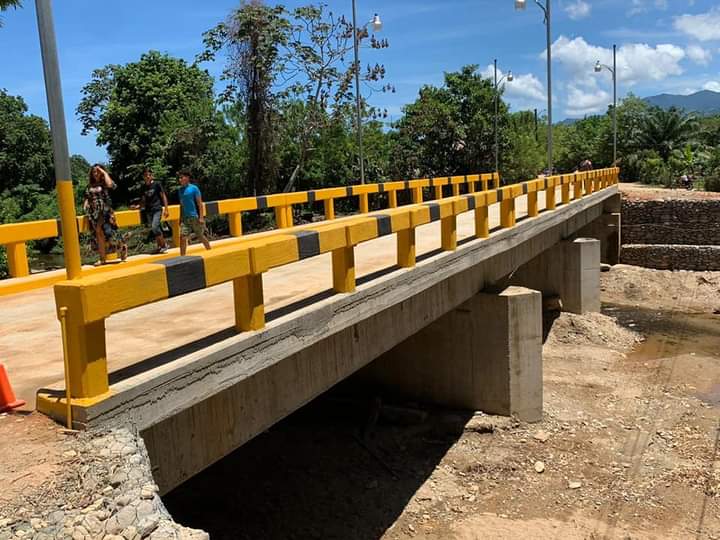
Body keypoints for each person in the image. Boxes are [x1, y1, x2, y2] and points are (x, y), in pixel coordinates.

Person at [83, 164, 128, 265]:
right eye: (94, 171)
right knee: (102, 234)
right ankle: (103, 257)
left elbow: (111, 185)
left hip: (105, 211)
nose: (96, 173)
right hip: (94, 213)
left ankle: (121, 246)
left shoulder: (105, 183)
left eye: (98, 171)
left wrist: (103, 172)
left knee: (105, 232)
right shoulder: (89, 186)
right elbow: (87, 197)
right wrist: (85, 206)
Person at [132, 169, 170, 253]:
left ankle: (164, 245)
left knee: (155, 226)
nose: (147, 177)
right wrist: (137, 206)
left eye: (149, 175)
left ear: (152, 176)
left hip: (157, 209)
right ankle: (159, 246)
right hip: (148, 210)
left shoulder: (157, 184)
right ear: (143, 177)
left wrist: (166, 209)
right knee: (154, 229)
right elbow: (143, 200)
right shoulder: (143, 187)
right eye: (145, 175)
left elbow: (163, 196)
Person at [178, 171, 211, 256]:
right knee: (182, 236)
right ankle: (182, 256)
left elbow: (199, 203)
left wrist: (201, 217)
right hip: (185, 218)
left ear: (187, 178)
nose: (180, 179)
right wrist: (180, 218)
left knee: (200, 235)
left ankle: (210, 250)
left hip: (194, 217)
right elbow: (181, 205)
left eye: (182, 177)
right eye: (179, 178)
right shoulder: (180, 190)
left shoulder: (194, 188)